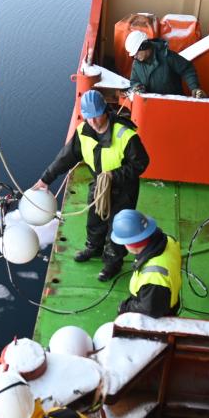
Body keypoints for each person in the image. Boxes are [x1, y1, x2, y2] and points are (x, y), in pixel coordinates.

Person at [33, 89, 150, 282]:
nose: (93, 123)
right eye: (89, 118)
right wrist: (46, 178)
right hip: (99, 185)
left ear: (105, 111)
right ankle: (93, 248)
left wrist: (114, 175)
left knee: (117, 227)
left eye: (97, 117)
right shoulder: (83, 131)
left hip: (123, 190)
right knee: (95, 219)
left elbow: (141, 163)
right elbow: (66, 158)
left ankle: (112, 262)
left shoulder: (125, 135)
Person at [110, 209, 181, 318]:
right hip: (167, 297)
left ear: (129, 244)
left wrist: (125, 308)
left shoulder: (153, 276)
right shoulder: (169, 241)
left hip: (160, 317)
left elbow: (150, 310)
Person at [124, 30, 205, 98]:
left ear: (144, 46)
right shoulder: (137, 64)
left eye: (136, 53)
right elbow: (134, 81)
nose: (135, 57)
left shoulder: (167, 56)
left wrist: (194, 87)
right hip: (150, 105)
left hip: (172, 103)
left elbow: (187, 69)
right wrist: (138, 86)